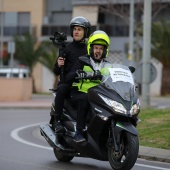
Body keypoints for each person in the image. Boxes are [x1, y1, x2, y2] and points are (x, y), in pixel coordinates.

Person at [65, 30, 112, 142]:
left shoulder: (108, 65)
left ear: (105, 50)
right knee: (85, 99)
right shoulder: (83, 61)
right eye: (96, 48)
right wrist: (78, 73)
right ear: (91, 48)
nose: (98, 51)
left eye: (101, 49)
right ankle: (79, 132)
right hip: (80, 92)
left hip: (99, 94)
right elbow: (69, 76)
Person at [51, 16, 91, 133]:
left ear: (86, 32)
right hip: (69, 85)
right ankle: (58, 121)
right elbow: (56, 71)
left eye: (79, 29)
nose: (76, 32)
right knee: (62, 87)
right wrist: (59, 64)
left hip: (85, 85)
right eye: (74, 29)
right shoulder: (66, 49)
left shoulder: (89, 49)